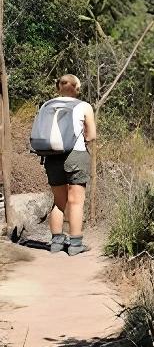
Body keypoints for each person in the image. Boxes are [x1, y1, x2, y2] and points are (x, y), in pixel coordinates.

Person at [40, 74, 97, 255]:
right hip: (76, 154)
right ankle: (75, 244)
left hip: (51, 156)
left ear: (58, 88)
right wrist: (84, 138)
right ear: (77, 88)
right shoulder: (83, 106)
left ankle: (56, 242)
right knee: (76, 202)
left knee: (59, 202)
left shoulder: (46, 105)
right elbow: (91, 136)